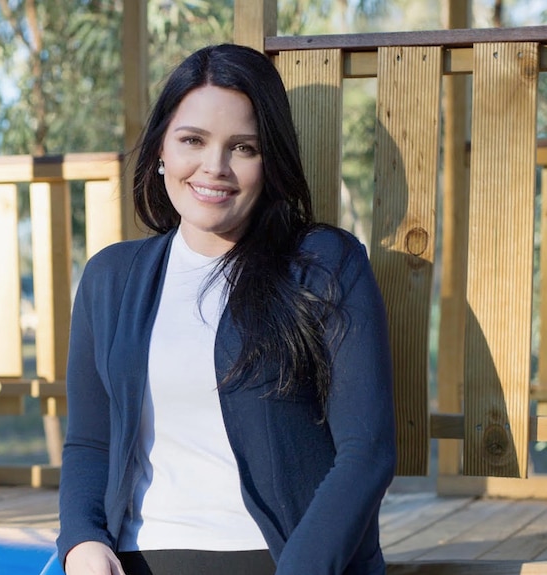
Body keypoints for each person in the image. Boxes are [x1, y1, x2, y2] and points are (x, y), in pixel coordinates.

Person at [56, 43, 395, 575]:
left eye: (243, 148)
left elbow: (366, 452)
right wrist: (81, 541)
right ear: (162, 149)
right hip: (137, 560)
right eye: (193, 140)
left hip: (285, 562)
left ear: (270, 161)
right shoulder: (110, 279)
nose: (214, 168)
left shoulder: (324, 263)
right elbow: (89, 443)